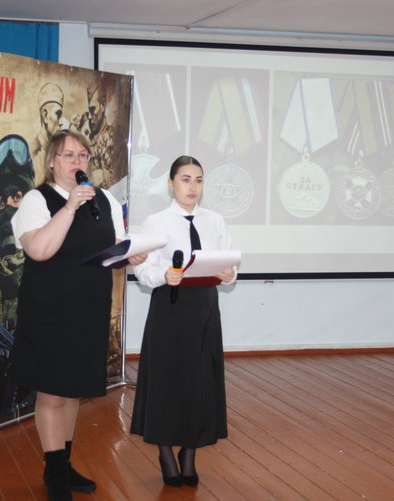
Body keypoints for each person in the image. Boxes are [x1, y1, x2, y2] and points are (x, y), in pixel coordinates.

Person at [6, 129, 146, 500]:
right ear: (52, 161)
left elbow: (111, 249)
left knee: (72, 392)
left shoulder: (104, 200)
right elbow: (39, 250)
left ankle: (63, 465)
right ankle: (54, 473)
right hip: (49, 310)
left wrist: (128, 254)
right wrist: (69, 208)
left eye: (83, 155)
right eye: (68, 155)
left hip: (89, 308)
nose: (77, 162)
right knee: (53, 392)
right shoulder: (37, 199)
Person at [130, 155, 237, 487]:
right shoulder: (156, 222)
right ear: (171, 183)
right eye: (186, 179)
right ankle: (165, 452)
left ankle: (189, 455)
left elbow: (229, 265)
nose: (193, 187)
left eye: (199, 180)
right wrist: (164, 275)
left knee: (200, 380)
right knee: (167, 381)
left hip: (205, 308)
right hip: (170, 307)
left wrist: (229, 273)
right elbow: (142, 270)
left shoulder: (215, 221)